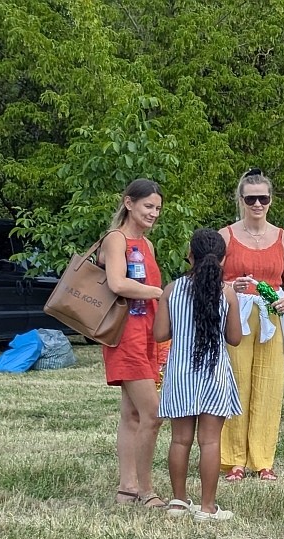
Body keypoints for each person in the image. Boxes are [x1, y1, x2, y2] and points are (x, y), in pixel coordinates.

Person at [155, 229, 243, 521]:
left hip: (180, 372)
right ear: (223, 259)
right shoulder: (227, 293)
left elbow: (159, 334)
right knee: (210, 441)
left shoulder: (172, 289)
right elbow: (234, 338)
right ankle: (207, 507)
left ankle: (178, 502)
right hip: (214, 373)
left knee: (180, 440)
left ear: (189, 256)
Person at [219, 168, 284, 482]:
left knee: (269, 385)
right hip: (238, 312)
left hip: (271, 317)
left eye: (263, 198)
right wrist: (229, 290)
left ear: (271, 200)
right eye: (252, 199)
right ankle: (233, 459)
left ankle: (263, 459)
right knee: (236, 382)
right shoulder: (227, 236)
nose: (258, 204)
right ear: (241, 200)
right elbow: (212, 281)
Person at [98, 178, 167, 509]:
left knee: (132, 414)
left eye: (157, 208)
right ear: (129, 203)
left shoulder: (148, 246)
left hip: (147, 336)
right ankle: (145, 488)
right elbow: (116, 281)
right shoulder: (116, 239)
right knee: (153, 413)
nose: (153, 213)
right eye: (148, 206)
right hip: (125, 335)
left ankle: (126, 487)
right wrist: (159, 293)